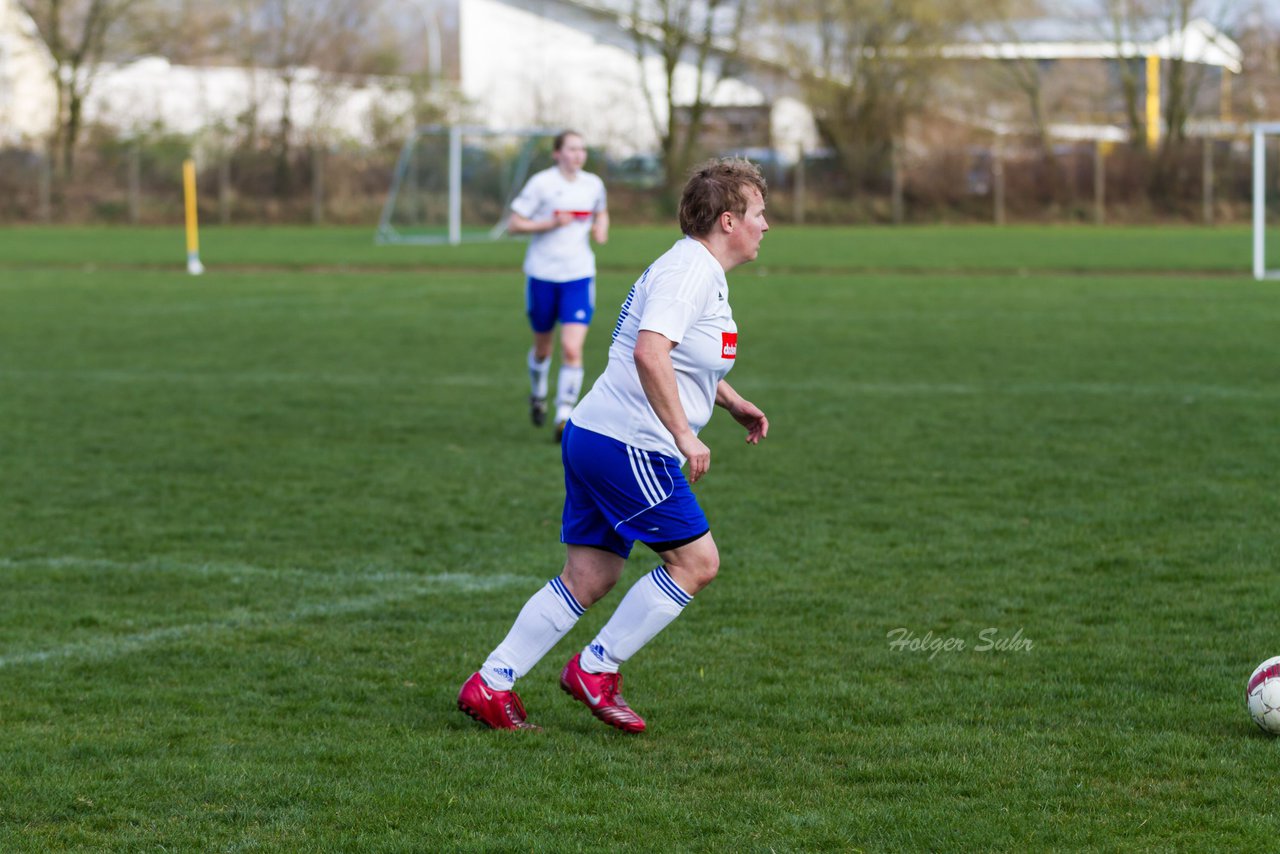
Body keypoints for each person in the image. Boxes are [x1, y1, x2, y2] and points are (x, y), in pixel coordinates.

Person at [458, 157, 770, 732]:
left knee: (590, 577)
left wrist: (729, 400)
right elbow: (649, 352)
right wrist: (684, 434)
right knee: (697, 563)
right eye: (758, 213)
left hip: (598, 435)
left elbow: (679, 355)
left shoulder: (699, 271)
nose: (765, 225)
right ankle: (595, 669)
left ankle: (491, 683)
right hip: (631, 442)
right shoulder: (690, 272)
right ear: (727, 220)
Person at [507, 130, 610, 440]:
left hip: (578, 275)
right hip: (542, 275)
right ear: (557, 153)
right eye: (572, 149)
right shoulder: (542, 183)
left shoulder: (593, 184)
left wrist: (601, 228)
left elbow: (601, 211)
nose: (578, 154)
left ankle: (564, 414)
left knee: (571, 347)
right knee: (543, 348)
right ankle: (538, 393)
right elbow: (514, 224)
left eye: (582, 149)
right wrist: (550, 223)